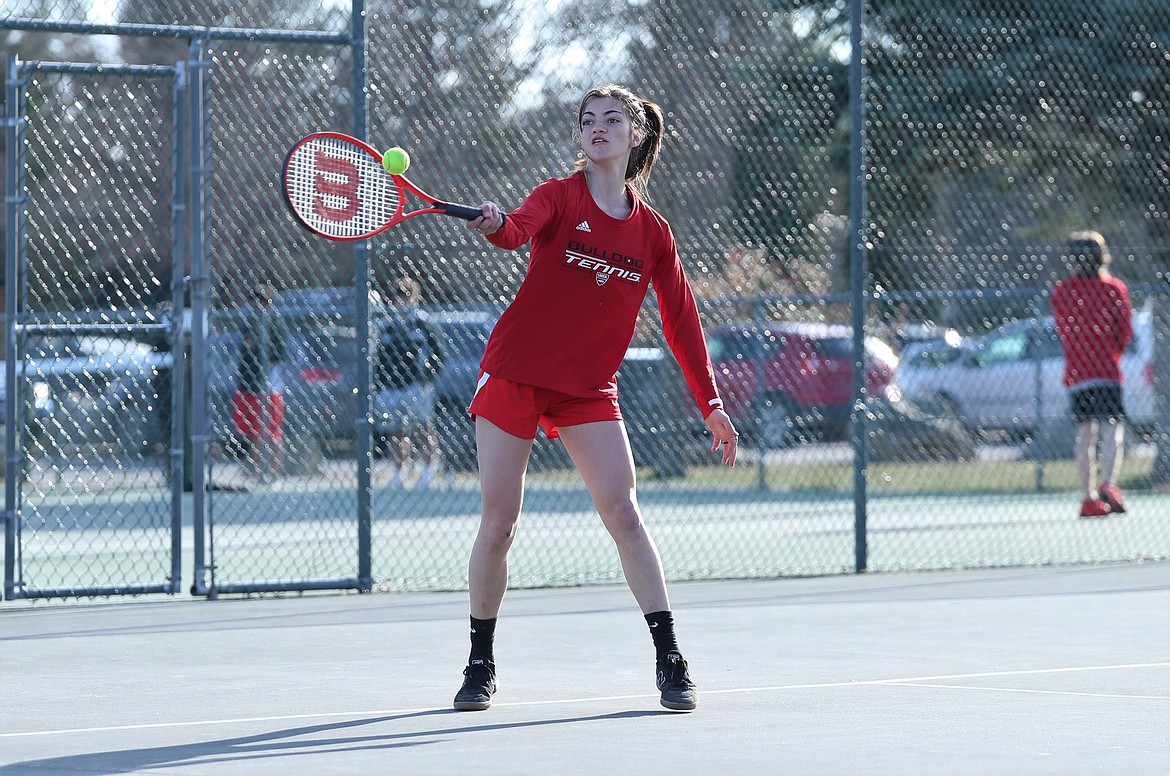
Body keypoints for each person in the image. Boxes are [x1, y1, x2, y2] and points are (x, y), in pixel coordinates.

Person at [452, 84, 739, 713]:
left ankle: (670, 658)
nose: (598, 128)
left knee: (626, 513)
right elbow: (517, 231)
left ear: (635, 135)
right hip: (516, 373)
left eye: (612, 120)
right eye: (588, 120)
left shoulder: (653, 233)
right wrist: (498, 224)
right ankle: (480, 663)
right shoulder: (558, 196)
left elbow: (682, 320)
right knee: (499, 523)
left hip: (587, 388)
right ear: (580, 136)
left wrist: (710, 404)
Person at [1051, 231, 1133, 518]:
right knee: (1112, 430)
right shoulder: (1114, 288)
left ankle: (1088, 497)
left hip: (1077, 374)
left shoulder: (1062, 292)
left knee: (1085, 434)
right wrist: (1108, 351)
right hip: (1106, 372)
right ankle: (1109, 485)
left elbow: (1064, 329)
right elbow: (1123, 332)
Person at [374, 278, 444, 488]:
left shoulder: (423, 322)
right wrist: (379, 383)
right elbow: (377, 356)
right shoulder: (386, 324)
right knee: (396, 431)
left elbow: (438, 353)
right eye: (398, 295)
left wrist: (427, 377)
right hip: (391, 386)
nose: (401, 300)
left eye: (406, 294)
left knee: (423, 428)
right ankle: (398, 470)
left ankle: (428, 469)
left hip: (417, 385)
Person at [231, 284, 287, 481]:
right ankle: (255, 470)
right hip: (250, 385)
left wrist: (261, 352)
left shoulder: (274, 322)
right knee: (254, 431)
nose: (256, 305)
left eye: (260, 301)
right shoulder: (249, 322)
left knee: (272, 432)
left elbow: (279, 353)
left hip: (270, 385)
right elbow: (244, 351)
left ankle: (274, 472)